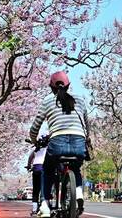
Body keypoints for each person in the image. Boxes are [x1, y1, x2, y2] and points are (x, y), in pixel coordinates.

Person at [30, 71, 89, 218]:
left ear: (52, 87)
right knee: (76, 167)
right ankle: (79, 192)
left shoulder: (48, 101)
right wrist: (87, 138)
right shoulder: (80, 100)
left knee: (47, 170)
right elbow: (87, 124)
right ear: (68, 86)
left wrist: (34, 140)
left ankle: (44, 204)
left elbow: (36, 125)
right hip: (78, 141)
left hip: (57, 142)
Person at [27, 133, 47, 215]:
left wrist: (28, 165)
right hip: (44, 169)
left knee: (35, 190)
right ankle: (44, 206)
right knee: (44, 189)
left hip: (36, 169)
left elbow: (30, 158)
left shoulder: (36, 149)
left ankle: (34, 209)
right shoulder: (49, 149)